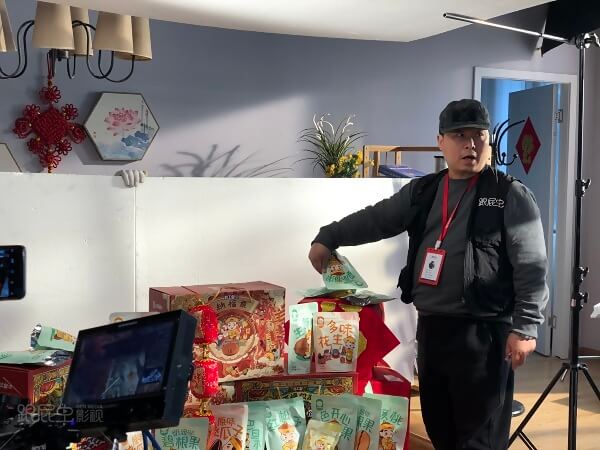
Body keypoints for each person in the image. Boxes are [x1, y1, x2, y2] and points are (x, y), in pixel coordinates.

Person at [308, 99, 549, 450]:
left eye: (479, 135)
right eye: (459, 136)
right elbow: (377, 218)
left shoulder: (509, 194)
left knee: (478, 439)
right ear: (441, 142)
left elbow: (532, 265)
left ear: (489, 141)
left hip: (484, 334)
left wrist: (526, 327)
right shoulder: (424, 191)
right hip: (433, 330)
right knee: (441, 430)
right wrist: (329, 236)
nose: (470, 144)